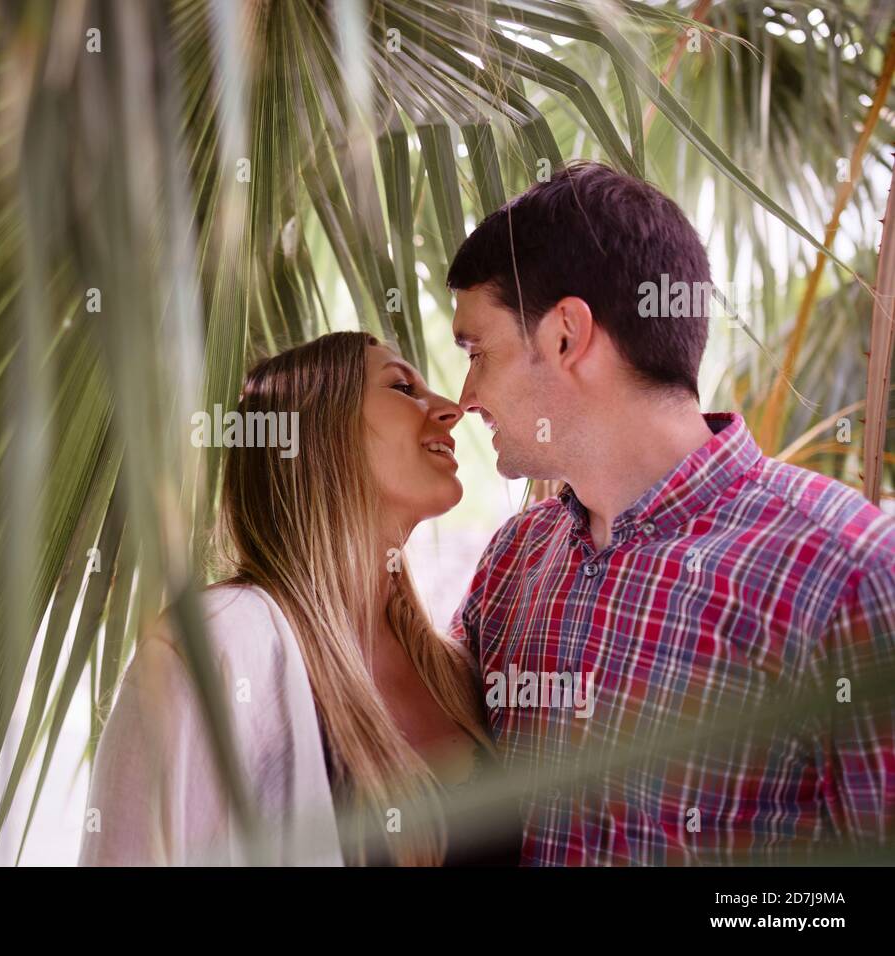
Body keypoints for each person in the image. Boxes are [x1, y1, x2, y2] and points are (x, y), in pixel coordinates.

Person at [447, 161, 895, 865]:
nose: (465, 397)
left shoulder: (849, 573)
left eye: (477, 352)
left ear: (567, 335)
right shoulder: (512, 562)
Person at [79, 332, 523, 866]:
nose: (451, 409)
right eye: (403, 387)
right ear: (318, 433)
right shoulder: (219, 642)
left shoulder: (456, 669)